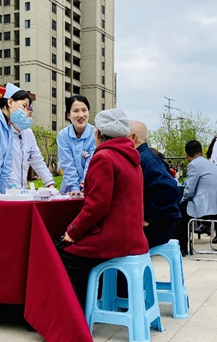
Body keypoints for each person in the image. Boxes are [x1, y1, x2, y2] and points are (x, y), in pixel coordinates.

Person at [59, 109, 148, 308]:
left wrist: (73, 231)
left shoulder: (104, 157)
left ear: (98, 133)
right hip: (133, 238)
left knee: (61, 256)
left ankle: (75, 314)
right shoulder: (132, 158)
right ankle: (90, 306)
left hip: (111, 239)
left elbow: (97, 206)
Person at [129, 121, 182, 247]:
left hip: (157, 226)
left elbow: (168, 188)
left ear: (133, 137)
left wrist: (148, 216)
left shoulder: (147, 160)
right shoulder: (144, 157)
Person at [174, 140, 217, 256]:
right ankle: (184, 245)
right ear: (202, 152)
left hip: (206, 208)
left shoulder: (194, 165)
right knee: (182, 209)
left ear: (186, 155)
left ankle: (183, 247)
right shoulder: (211, 164)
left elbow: (189, 190)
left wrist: (182, 201)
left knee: (178, 211)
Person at [57, 95, 96, 195]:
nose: (81, 115)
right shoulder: (63, 136)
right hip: (69, 189)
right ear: (68, 115)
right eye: (76, 111)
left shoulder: (96, 134)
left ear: (89, 112)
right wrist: (74, 189)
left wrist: (85, 186)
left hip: (90, 188)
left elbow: (91, 164)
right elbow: (67, 165)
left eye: (84, 110)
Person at [9, 105, 55, 189]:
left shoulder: (28, 133)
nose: (29, 119)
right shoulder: (5, 132)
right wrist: (16, 188)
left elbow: (37, 160)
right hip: (7, 190)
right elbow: (6, 166)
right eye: (28, 115)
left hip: (22, 190)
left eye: (31, 116)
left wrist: (49, 183)